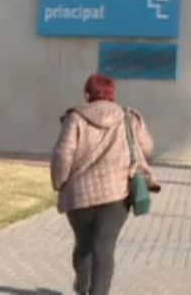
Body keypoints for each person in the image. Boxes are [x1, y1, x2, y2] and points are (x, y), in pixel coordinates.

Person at [50, 73, 160, 295]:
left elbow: (63, 155)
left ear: (87, 94)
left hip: (78, 196)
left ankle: (81, 287)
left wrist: (59, 183)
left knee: (83, 244)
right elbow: (147, 148)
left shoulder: (75, 118)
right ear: (112, 94)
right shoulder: (128, 117)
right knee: (104, 249)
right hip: (116, 194)